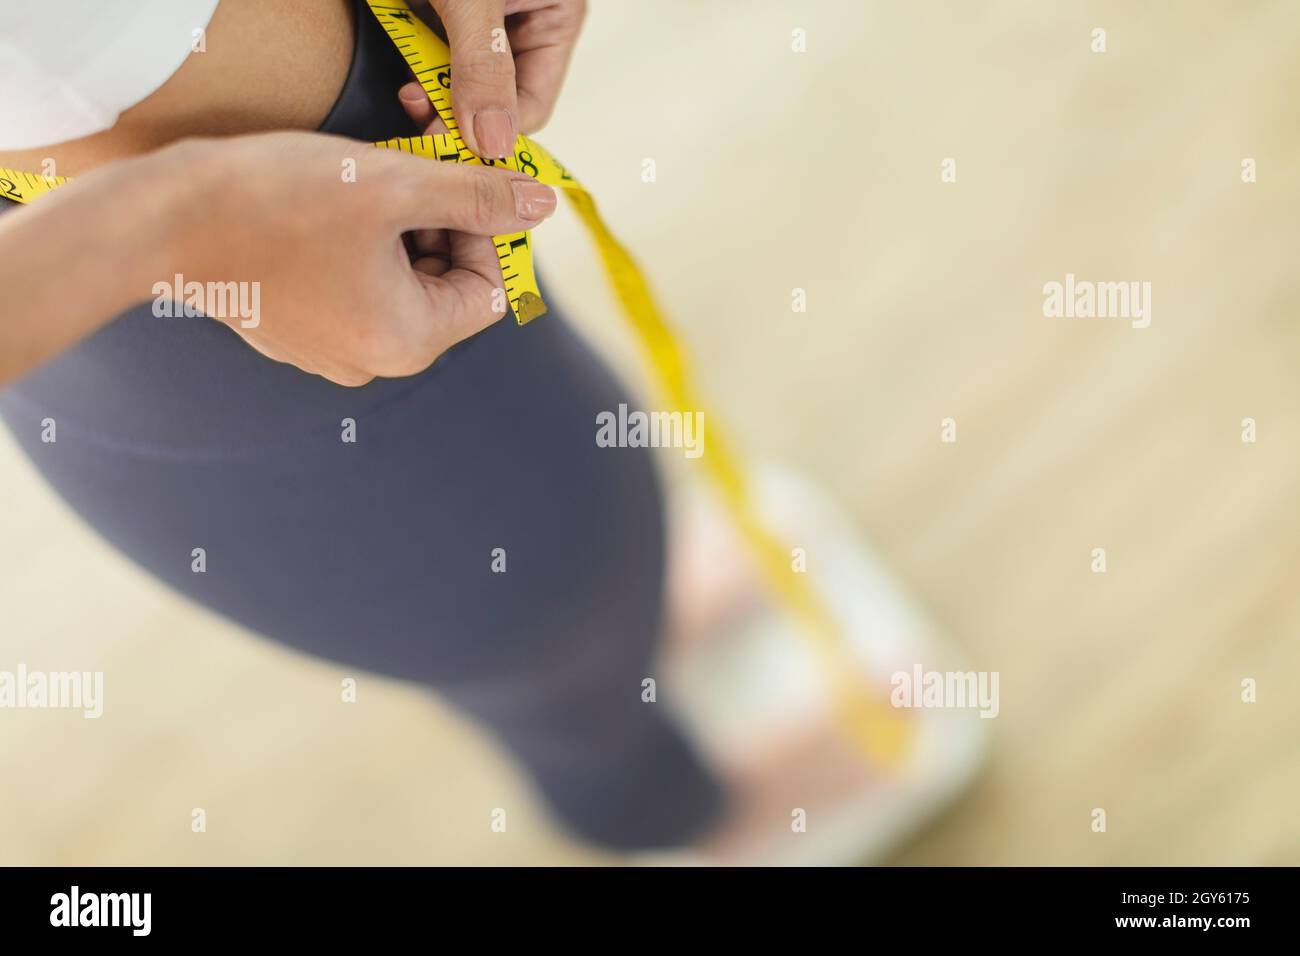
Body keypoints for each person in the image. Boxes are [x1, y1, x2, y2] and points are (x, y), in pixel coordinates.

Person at [0, 0, 983, 864]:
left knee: (579, 512)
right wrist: (161, 226)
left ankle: (626, 643)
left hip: (323, 159)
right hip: (157, 301)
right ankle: (671, 804)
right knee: (540, 598)